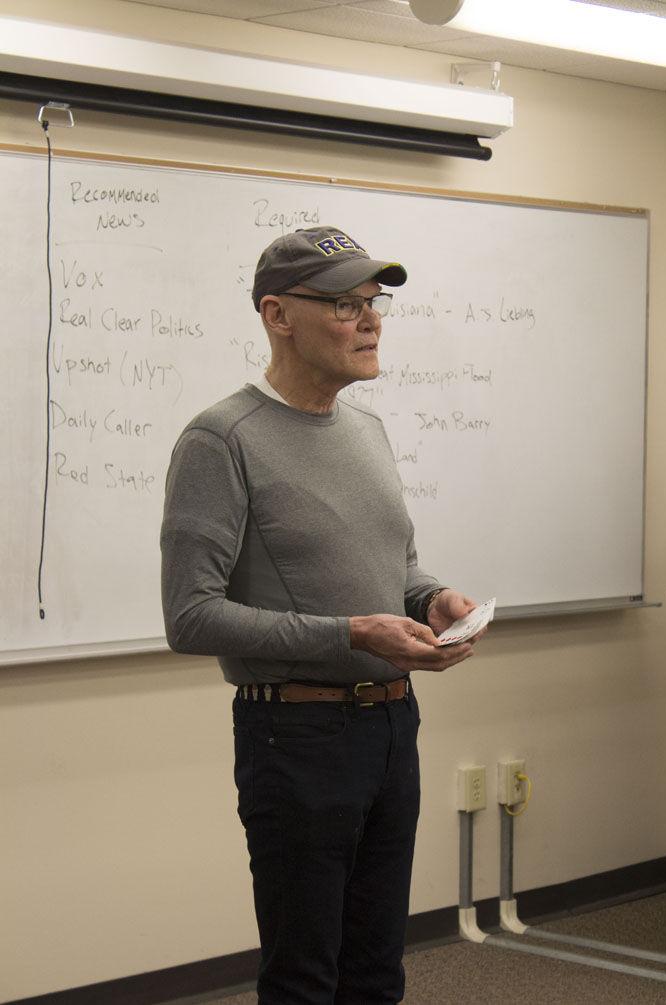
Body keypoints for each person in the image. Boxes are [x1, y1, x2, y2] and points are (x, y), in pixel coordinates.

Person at [160, 225, 483, 1005]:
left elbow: (395, 567)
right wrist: (348, 635)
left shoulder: (367, 430)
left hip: (392, 726)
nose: (370, 320)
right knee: (307, 978)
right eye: (345, 304)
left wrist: (431, 596)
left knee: (377, 971)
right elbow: (191, 615)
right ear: (277, 314)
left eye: (374, 302)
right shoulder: (220, 438)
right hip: (295, 738)